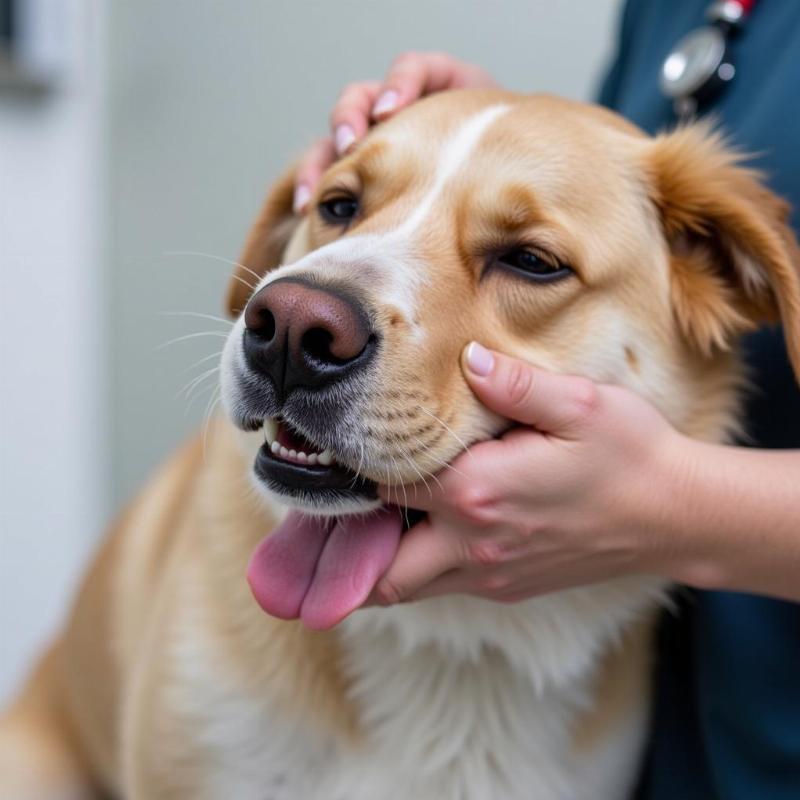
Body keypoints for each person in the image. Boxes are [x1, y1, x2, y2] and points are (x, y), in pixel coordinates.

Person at [291, 2, 800, 796]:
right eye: (344, 208)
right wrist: (471, 147)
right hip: (684, 739)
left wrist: (672, 506)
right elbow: (610, 227)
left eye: (529, 261)